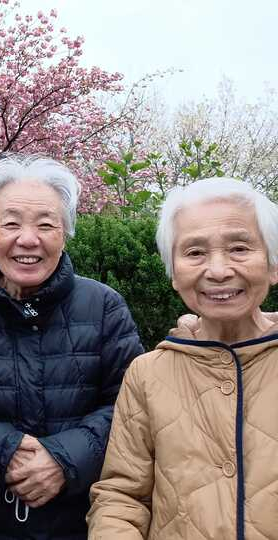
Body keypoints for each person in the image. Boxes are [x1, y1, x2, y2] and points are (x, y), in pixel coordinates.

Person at [0, 154, 143, 539]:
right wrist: (5, 449)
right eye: (11, 223)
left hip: (84, 522)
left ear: (65, 233)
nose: (28, 239)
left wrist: (64, 458)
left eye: (46, 224)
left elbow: (131, 406)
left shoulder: (104, 307)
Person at [87, 177, 278, 539]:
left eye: (239, 248)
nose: (218, 271)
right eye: (195, 253)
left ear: (272, 265)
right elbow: (122, 497)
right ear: (174, 273)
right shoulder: (147, 374)